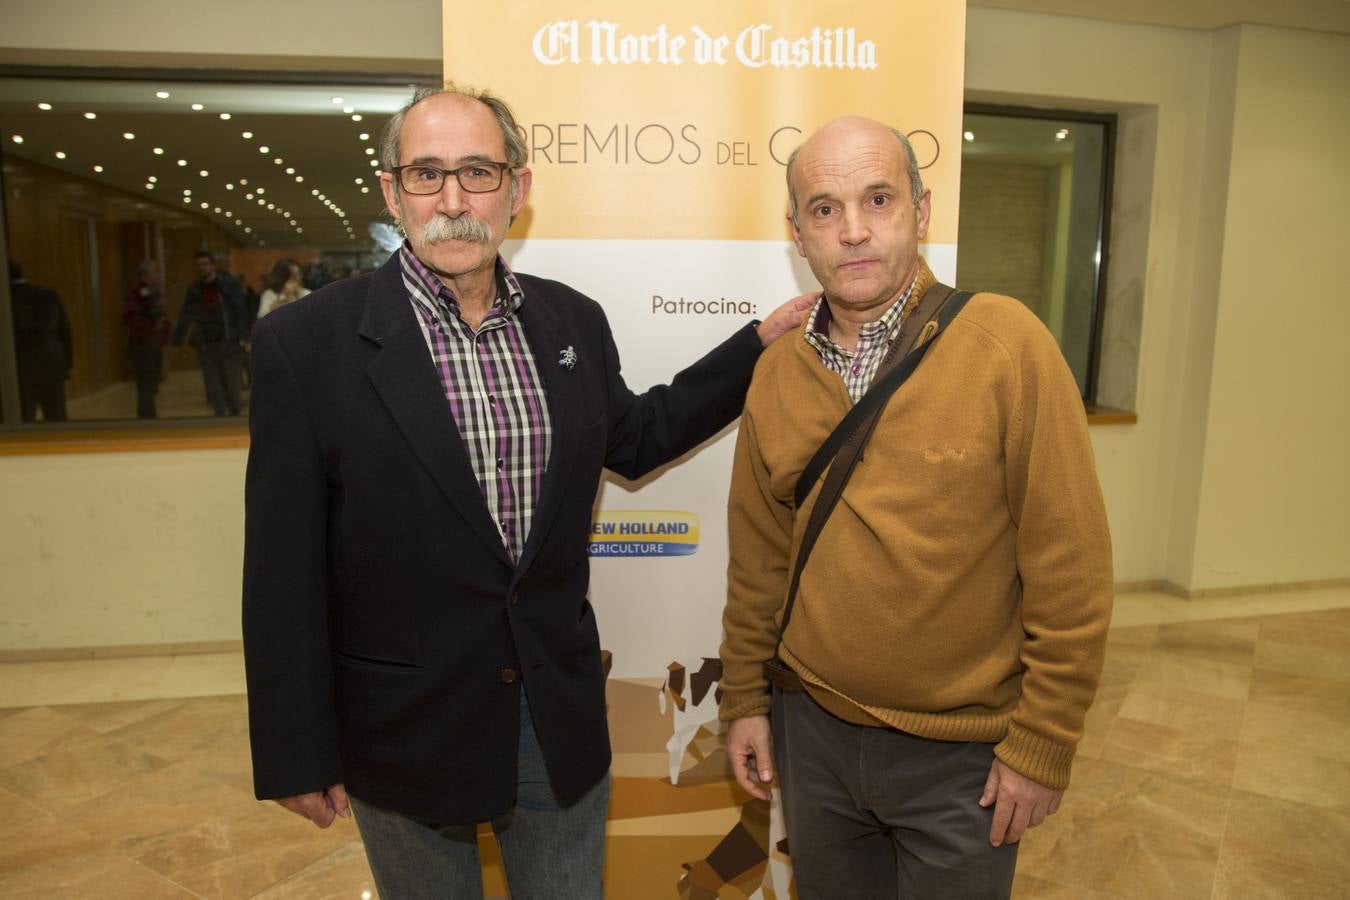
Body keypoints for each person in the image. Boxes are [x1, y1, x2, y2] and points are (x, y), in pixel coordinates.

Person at [242, 83, 810, 899]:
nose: (452, 200)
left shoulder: (570, 321)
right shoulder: (305, 345)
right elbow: (281, 572)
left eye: (477, 172)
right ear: (391, 191)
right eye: (426, 174)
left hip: (554, 714)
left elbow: (638, 436)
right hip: (402, 727)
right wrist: (297, 751)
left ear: (518, 188)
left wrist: (755, 347)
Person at [718, 116, 1113, 899]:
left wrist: (1043, 741)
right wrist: (743, 702)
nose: (854, 231)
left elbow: (1071, 568)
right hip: (814, 736)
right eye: (825, 210)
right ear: (797, 234)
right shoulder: (777, 377)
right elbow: (760, 560)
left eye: (879, 199)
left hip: (960, 758)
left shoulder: (1006, 346)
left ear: (922, 212)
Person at [170, 251, 248, 416]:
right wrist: (177, 340)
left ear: (212, 265)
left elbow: (240, 311)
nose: (202, 268)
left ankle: (234, 412)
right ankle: (219, 414)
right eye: (198, 265)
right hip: (206, 341)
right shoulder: (195, 289)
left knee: (232, 381)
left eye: (205, 264)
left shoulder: (228, 284)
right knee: (212, 382)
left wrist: (245, 337)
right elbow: (186, 314)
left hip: (229, 340)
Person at [9, 261, 72, 422]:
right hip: (52, 363)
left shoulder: (7, 298)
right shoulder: (48, 294)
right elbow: (64, 330)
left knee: (22, 421)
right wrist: (67, 363)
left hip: (20, 368)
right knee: (57, 417)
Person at [123, 260, 170, 418]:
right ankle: (147, 417)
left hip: (153, 344)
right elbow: (131, 318)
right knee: (145, 385)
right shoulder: (137, 293)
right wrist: (152, 326)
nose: (158, 275)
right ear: (145, 275)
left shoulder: (154, 292)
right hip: (143, 346)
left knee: (152, 384)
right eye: (155, 272)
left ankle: (149, 414)